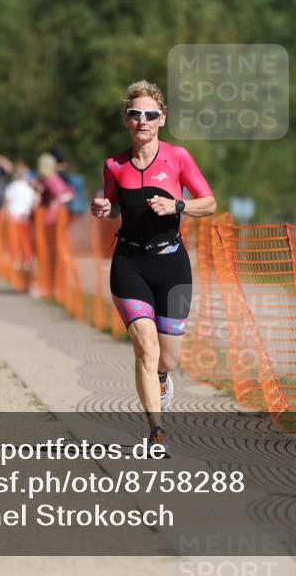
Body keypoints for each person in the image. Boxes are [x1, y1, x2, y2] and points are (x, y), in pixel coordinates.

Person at [91, 80, 216, 444]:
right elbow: (115, 206)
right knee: (146, 346)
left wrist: (177, 205)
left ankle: (162, 377)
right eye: (135, 114)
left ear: (162, 118)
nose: (142, 121)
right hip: (129, 263)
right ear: (126, 119)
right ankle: (156, 429)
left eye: (149, 114)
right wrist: (104, 208)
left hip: (172, 265)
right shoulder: (114, 165)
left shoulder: (178, 158)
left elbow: (209, 203)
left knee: (168, 358)